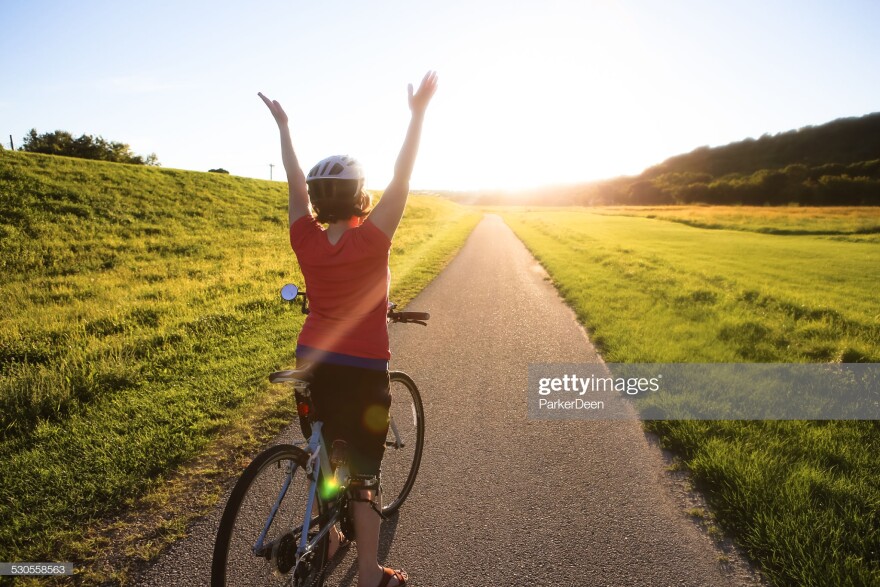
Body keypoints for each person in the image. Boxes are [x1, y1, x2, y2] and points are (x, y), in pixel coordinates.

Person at [258, 70, 437, 587]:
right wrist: (418, 114)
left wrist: (284, 128)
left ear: (317, 199)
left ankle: (331, 535)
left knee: (322, 450)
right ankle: (369, 575)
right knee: (363, 476)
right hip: (362, 369)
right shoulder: (374, 239)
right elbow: (404, 173)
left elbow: (292, 178)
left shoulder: (305, 240)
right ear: (360, 195)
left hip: (312, 359)